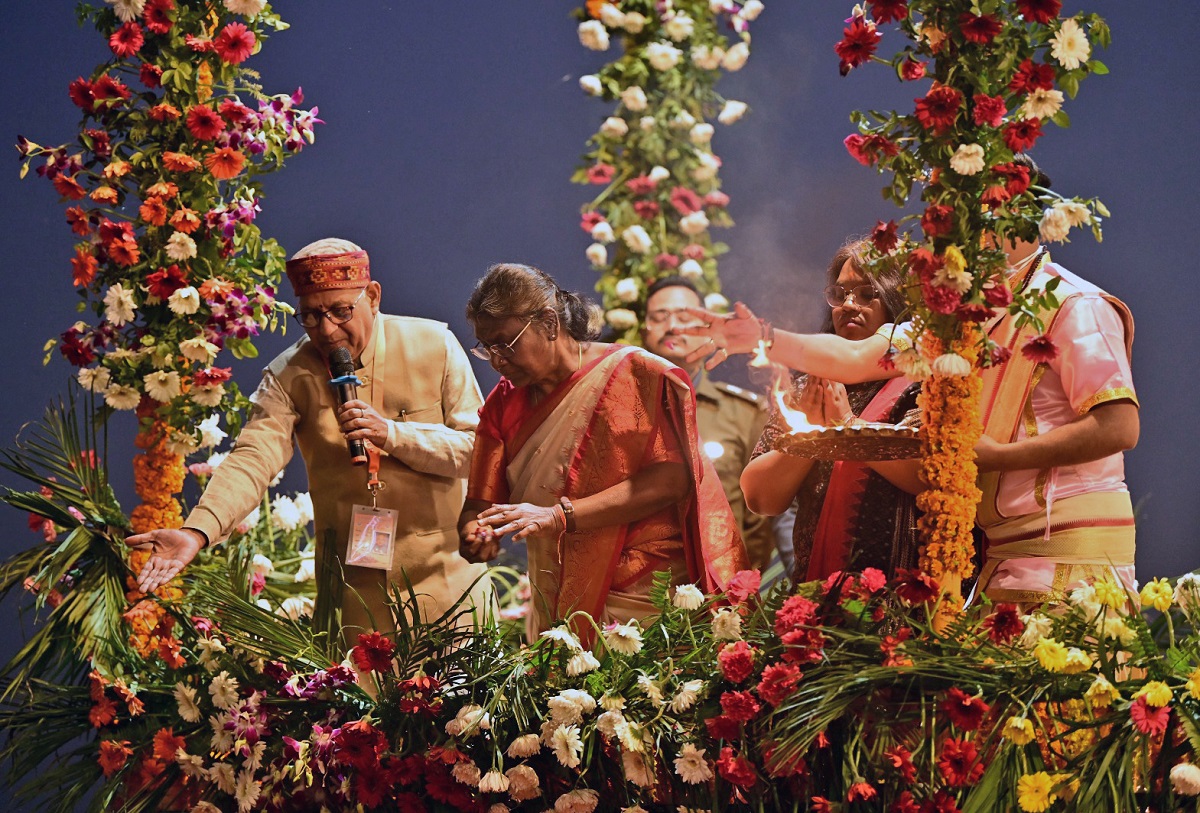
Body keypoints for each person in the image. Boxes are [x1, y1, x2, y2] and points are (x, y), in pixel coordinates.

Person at [681, 161, 1139, 603]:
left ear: (1020, 212)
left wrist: (1001, 457)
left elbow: (1119, 427)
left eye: (970, 208)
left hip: (1072, 546)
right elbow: (856, 358)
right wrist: (760, 336)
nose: (950, 230)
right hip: (1002, 550)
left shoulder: (1074, 304)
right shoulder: (958, 320)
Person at [128, 238, 490, 634]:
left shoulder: (434, 345)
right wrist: (196, 532)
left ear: (373, 296)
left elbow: (478, 452)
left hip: (450, 587)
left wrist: (393, 434)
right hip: (355, 600)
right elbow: (252, 458)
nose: (328, 330)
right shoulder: (288, 375)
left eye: (340, 311)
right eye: (312, 316)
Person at [458, 263, 747, 643]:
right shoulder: (504, 403)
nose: (497, 361)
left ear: (548, 323)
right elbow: (480, 504)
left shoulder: (636, 375)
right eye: (487, 348)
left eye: (505, 344)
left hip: (645, 593)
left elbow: (672, 479)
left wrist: (560, 516)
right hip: (556, 597)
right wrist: (475, 533)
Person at [741, 239, 924, 582]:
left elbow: (931, 476)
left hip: (906, 597)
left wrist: (847, 427)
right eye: (840, 294)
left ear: (900, 301)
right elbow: (760, 497)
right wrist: (811, 435)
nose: (849, 304)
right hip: (816, 601)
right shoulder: (807, 387)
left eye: (867, 293)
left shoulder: (922, 381)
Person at [639, 276, 780, 572]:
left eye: (684, 316)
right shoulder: (623, 411)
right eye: (659, 317)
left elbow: (760, 520)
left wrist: (737, 585)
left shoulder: (744, 413)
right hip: (640, 597)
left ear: (707, 331)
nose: (672, 326)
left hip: (721, 595)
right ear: (644, 331)